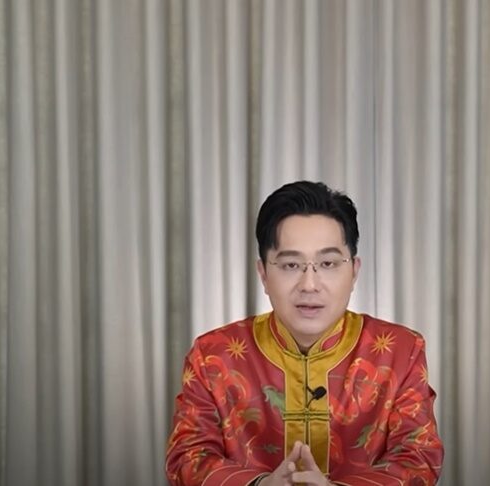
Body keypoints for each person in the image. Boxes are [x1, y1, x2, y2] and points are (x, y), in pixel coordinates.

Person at [165, 181, 443, 485]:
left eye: (328, 263)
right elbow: (187, 457)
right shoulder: (213, 355)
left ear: (354, 272)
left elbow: (418, 459)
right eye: (290, 265)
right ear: (263, 274)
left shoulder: (401, 352)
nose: (309, 284)